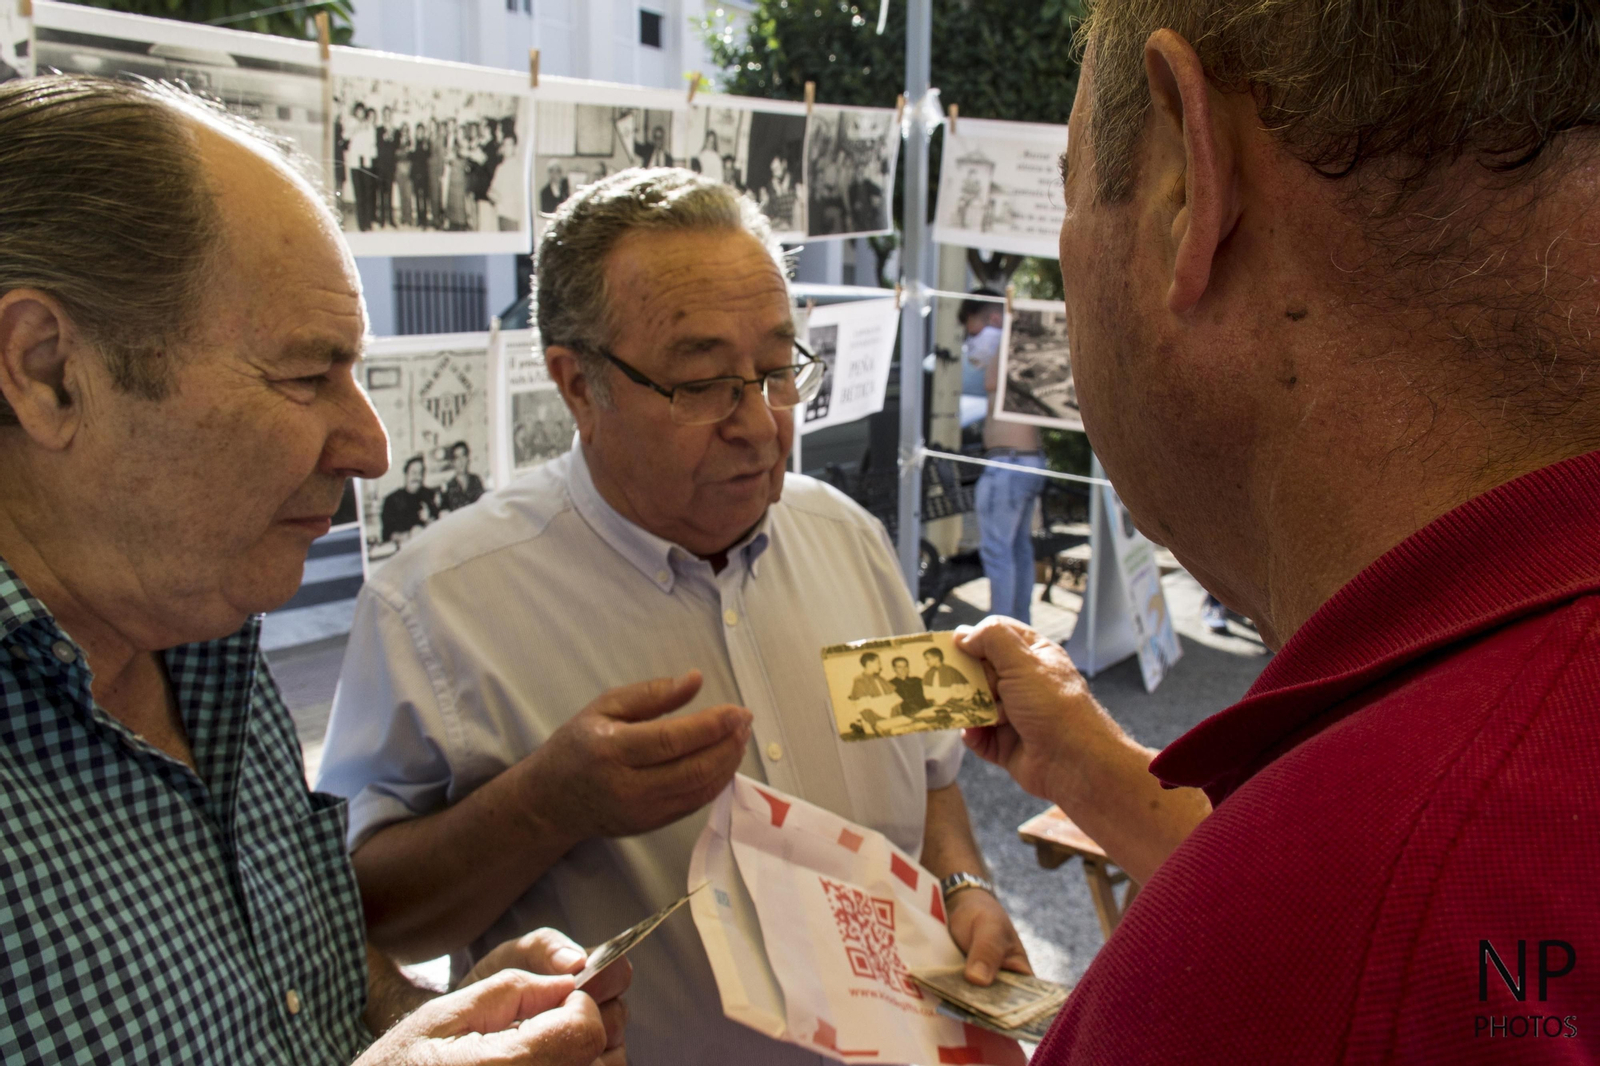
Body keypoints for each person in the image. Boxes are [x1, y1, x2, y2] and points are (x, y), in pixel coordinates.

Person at [954, 3, 1600, 1062]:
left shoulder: (1308, 945)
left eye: (1067, 193)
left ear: (1184, 182)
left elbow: (1346, 939)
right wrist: (1104, 774)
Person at [316, 167, 1029, 1065]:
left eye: (777, 370)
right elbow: (361, 910)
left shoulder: (848, 539)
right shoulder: (435, 606)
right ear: (578, 386)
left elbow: (930, 776)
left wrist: (965, 885)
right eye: (702, 384)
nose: (763, 426)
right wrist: (546, 805)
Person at [0, 75, 629, 1065]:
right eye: (305, 374)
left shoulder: (199, 619)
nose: (371, 447)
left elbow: (297, 985)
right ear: (46, 372)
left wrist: (422, 1020)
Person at [961, 290, 1046, 624]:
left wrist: (1006, 321)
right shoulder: (1016, 345)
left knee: (1000, 554)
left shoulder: (1009, 339)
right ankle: (1020, 626)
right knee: (1017, 550)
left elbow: (992, 380)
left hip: (1008, 465)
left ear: (995, 321)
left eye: (974, 332)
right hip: (1025, 462)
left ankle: (1003, 631)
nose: (971, 342)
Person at [380, 455, 439, 544]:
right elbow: (387, 534)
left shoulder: (430, 495)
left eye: (420, 473)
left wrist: (429, 521)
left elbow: (440, 525)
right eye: (413, 472)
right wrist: (410, 535)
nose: (417, 477)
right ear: (406, 474)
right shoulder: (392, 500)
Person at [439, 440, 485, 512]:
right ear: (453, 462)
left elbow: (483, 505)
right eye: (457, 458)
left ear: (468, 458)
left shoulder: (476, 480)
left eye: (463, 456)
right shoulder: (448, 486)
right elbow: (444, 512)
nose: (461, 461)